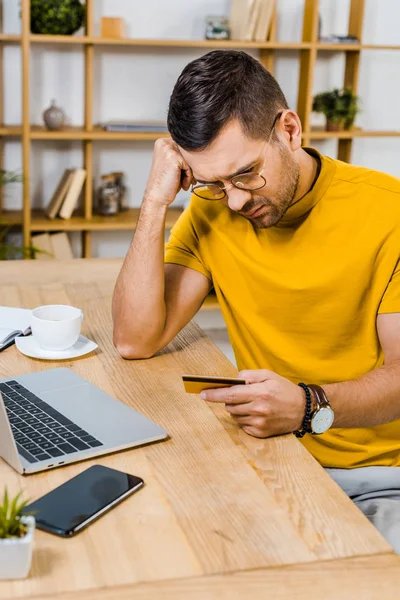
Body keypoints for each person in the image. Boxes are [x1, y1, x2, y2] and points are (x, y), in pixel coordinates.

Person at [112, 50, 400, 550]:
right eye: (214, 183)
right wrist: (157, 201)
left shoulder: (387, 213)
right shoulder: (214, 208)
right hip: (265, 458)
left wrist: (310, 407)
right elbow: (135, 340)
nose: (238, 201)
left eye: (246, 173)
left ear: (289, 130)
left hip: (377, 478)